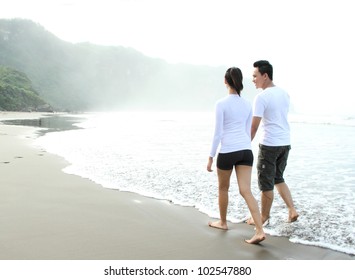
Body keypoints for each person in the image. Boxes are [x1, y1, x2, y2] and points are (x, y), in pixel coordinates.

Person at [207, 67, 265, 244]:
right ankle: (260, 230)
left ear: (226, 81)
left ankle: (223, 222)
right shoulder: (248, 104)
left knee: (223, 188)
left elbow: (218, 133)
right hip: (245, 151)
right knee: (246, 191)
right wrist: (244, 146)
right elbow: (248, 131)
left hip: (227, 151)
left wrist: (210, 156)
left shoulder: (221, 104)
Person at [247, 60, 299, 226]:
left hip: (270, 144)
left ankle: (263, 217)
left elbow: (254, 127)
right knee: (278, 178)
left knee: (266, 183)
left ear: (265, 75)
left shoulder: (261, 97)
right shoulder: (284, 93)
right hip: (285, 143)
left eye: (255, 76)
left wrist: (243, 145)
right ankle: (292, 210)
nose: (253, 79)